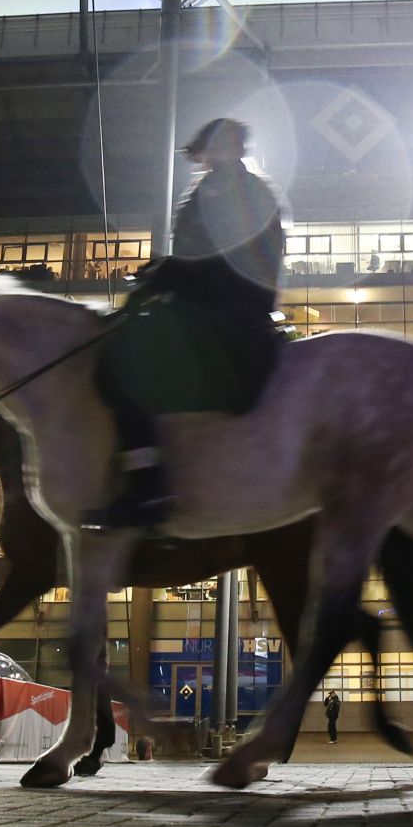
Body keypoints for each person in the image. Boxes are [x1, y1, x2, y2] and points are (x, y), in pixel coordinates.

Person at [85, 118, 285, 530]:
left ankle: (149, 484)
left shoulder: (236, 189)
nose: (211, 153)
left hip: (229, 306)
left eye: (218, 145)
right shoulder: (223, 186)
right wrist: (168, 271)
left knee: (125, 368)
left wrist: (170, 272)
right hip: (217, 300)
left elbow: (222, 253)